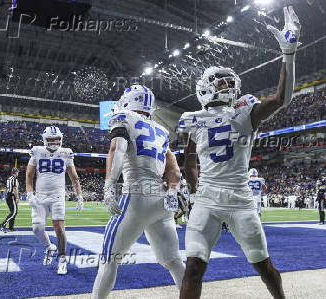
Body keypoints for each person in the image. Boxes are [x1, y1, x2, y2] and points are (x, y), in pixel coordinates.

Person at [178, 6, 301, 299]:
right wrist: (195, 190)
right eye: (220, 82)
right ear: (206, 88)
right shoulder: (195, 119)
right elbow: (189, 160)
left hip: (240, 200)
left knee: (264, 267)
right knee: (193, 268)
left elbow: (282, 98)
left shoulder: (246, 113)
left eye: (229, 82)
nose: (227, 86)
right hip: (207, 199)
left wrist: (289, 55)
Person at [91, 85, 186, 299]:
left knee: (108, 259)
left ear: (128, 101)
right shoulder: (161, 130)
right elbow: (175, 171)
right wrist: (172, 193)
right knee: (173, 261)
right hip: (161, 200)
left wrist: (109, 185)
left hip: (136, 195)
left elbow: (117, 148)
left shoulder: (123, 116)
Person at [26, 126, 84, 275]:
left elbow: (74, 177)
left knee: (59, 228)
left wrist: (79, 196)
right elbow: (29, 175)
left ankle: (62, 259)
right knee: (37, 229)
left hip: (58, 195)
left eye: (57, 139)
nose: (55, 141)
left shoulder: (66, 152)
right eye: (51, 139)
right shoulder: (37, 151)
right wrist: (30, 193)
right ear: (45, 140)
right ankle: (49, 247)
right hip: (40, 195)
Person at [0, 168, 20, 232]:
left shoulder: (9, 179)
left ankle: (11, 227)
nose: (18, 173)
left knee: (13, 212)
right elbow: (14, 189)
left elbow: (6, 189)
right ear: (15, 172)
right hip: (12, 196)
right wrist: (17, 198)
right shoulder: (14, 179)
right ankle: (3, 224)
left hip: (8, 196)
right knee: (14, 212)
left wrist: (7, 196)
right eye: (17, 172)